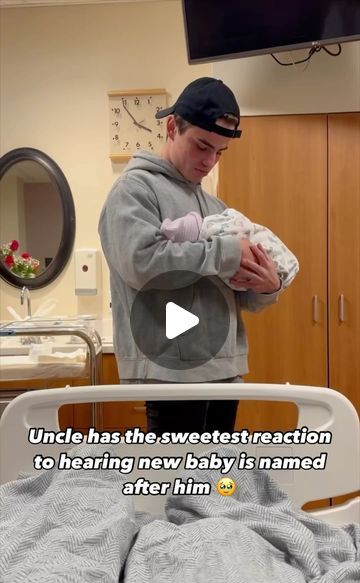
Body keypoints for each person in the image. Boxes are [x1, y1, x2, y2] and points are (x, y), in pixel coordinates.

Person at [99, 77, 286, 435]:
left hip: (225, 369)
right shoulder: (134, 190)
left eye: (219, 152)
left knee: (215, 486)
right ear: (172, 126)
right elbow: (142, 264)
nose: (210, 161)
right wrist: (228, 252)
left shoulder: (215, 206)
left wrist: (266, 286)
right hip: (170, 372)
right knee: (177, 488)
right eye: (202, 146)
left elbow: (237, 292)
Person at [160, 208, 299, 291]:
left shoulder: (218, 206)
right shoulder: (142, 190)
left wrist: (273, 287)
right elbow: (144, 265)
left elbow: (249, 302)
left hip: (230, 336)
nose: (209, 162)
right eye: (201, 155)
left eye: (218, 156)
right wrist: (232, 249)